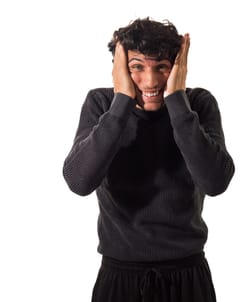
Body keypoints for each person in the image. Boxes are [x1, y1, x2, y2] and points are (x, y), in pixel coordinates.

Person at [62, 17, 235, 302]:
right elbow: (80, 181)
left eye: (162, 67)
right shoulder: (102, 104)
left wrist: (177, 98)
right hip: (119, 278)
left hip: (188, 276)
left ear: (177, 69)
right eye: (136, 67)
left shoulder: (198, 105)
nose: (151, 80)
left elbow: (215, 182)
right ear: (119, 71)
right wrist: (121, 102)